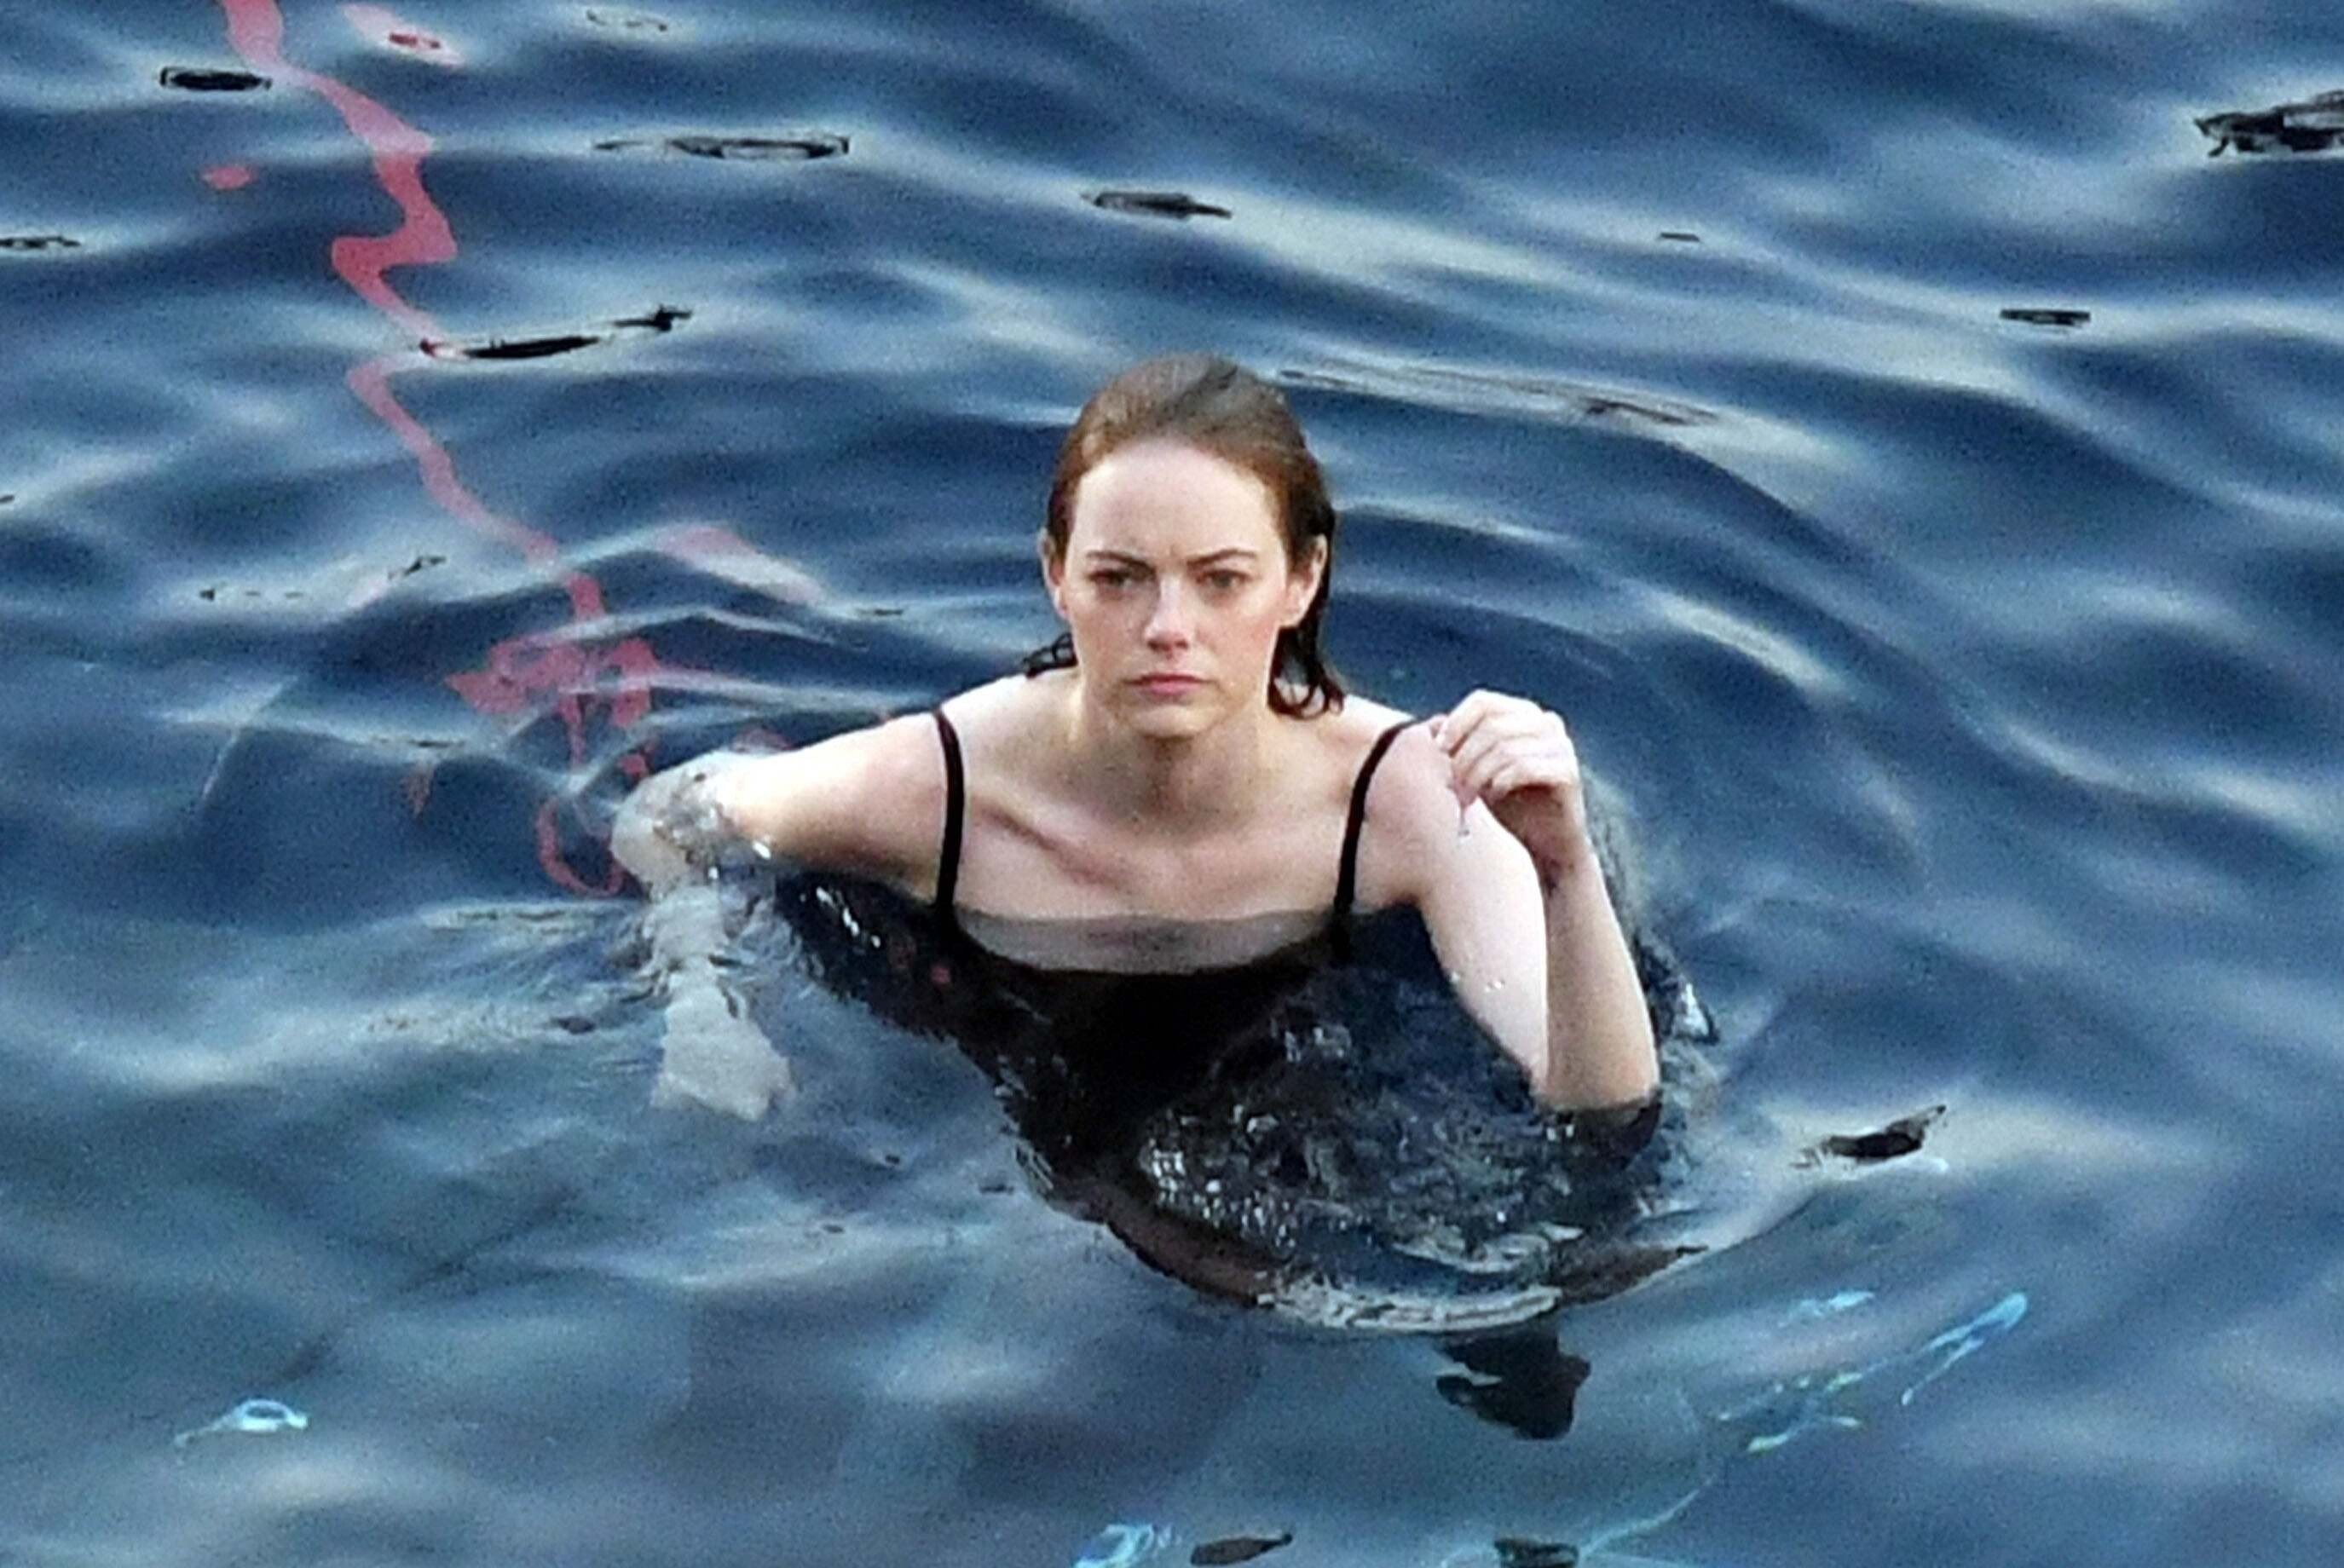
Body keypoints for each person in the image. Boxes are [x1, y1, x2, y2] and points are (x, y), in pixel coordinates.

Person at [613, 354, 1658, 1125]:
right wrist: (703, 1006)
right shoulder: (949, 786)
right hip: (991, 1081)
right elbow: (671, 815)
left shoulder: (1407, 800)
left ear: (1301, 580)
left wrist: (1563, 871)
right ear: (1055, 577)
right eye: (1119, 579)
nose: (1168, 627)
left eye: (1221, 580)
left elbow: (1596, 1103)